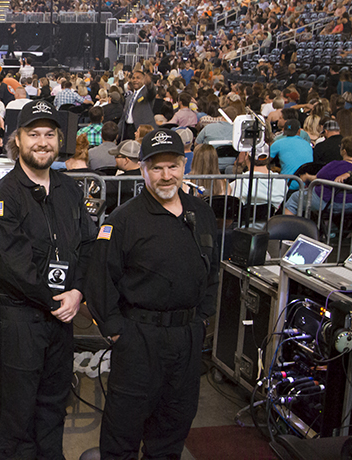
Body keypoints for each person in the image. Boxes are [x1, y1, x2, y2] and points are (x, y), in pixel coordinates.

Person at [85, 128, 219, 460]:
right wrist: (117, 332)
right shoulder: (122, 220)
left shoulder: (200, 213)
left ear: (183, 165)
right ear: (142, 169)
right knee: (123, 431)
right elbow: (100, 281)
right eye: (156, 168)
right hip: (138, 340)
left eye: (172, 166)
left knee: (173, 426)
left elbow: (213, 271)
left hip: (186, 339)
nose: (165, 175)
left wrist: (202, 319)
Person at [0, 99, 96, 459]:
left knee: (52, 409)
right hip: (19, 322)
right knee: (17, 419)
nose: (42, 142)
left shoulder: (69, 190)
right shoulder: (2, 197)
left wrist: (77, 291)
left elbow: (88, 246)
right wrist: (55, 300)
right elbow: (9, 265)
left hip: (61, 321)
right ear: (18, 140)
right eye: (34, 134)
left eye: (49, 134)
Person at [284, 136, 352, 215]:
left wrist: (306, 176)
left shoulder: (335, 165)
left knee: (294, 198)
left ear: (344, 151)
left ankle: (289, 226)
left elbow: (317, 178)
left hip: (332, 201)